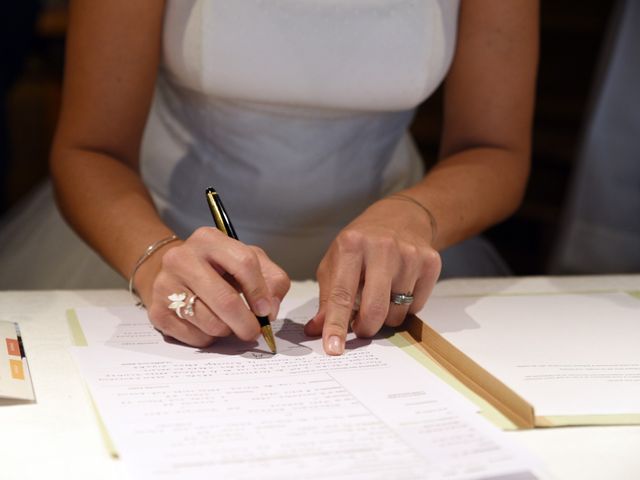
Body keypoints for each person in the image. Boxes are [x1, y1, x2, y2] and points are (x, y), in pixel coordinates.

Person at [50, 1, 538, 355]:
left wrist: (414, 214)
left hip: (395, 260)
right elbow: (91, 150)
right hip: (167, 236)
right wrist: (159, 261)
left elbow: (493, 150)